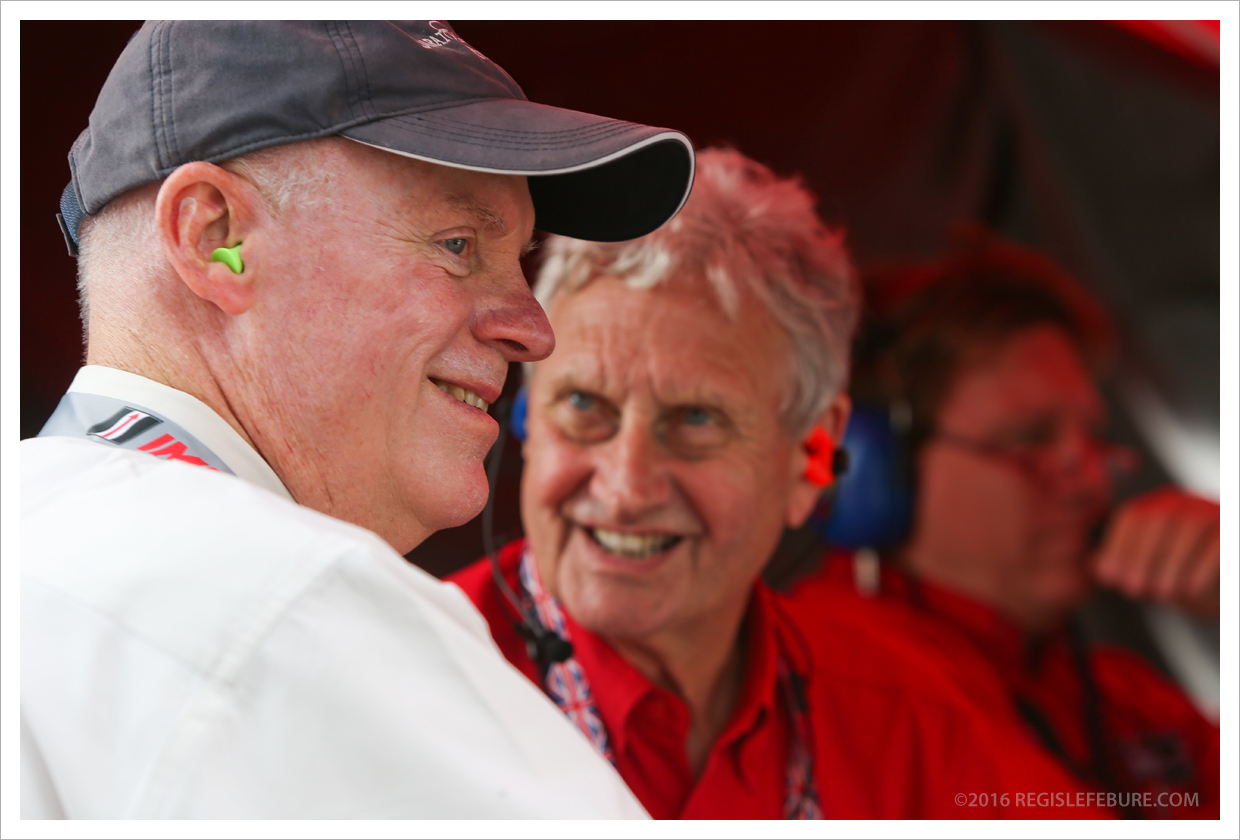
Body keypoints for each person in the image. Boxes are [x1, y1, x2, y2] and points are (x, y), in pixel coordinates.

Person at [21, 20, 696, 819]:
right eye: (458, 244)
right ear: (215, 238)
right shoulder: (292, 599)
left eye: (520, 259)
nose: (532, 330)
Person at [450, 149, 1113, 818]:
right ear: (528, 418)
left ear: (809, 460)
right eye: (584, 406)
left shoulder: (910, 719)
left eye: (697, 419)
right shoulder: (414, 677)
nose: (625, 488)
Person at [789, 238, 1220, 818]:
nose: (1092, 481)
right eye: (1030, 439)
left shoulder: (1126, 699)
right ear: (868, 462)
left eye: (1093, 440)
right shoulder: (830, 667)